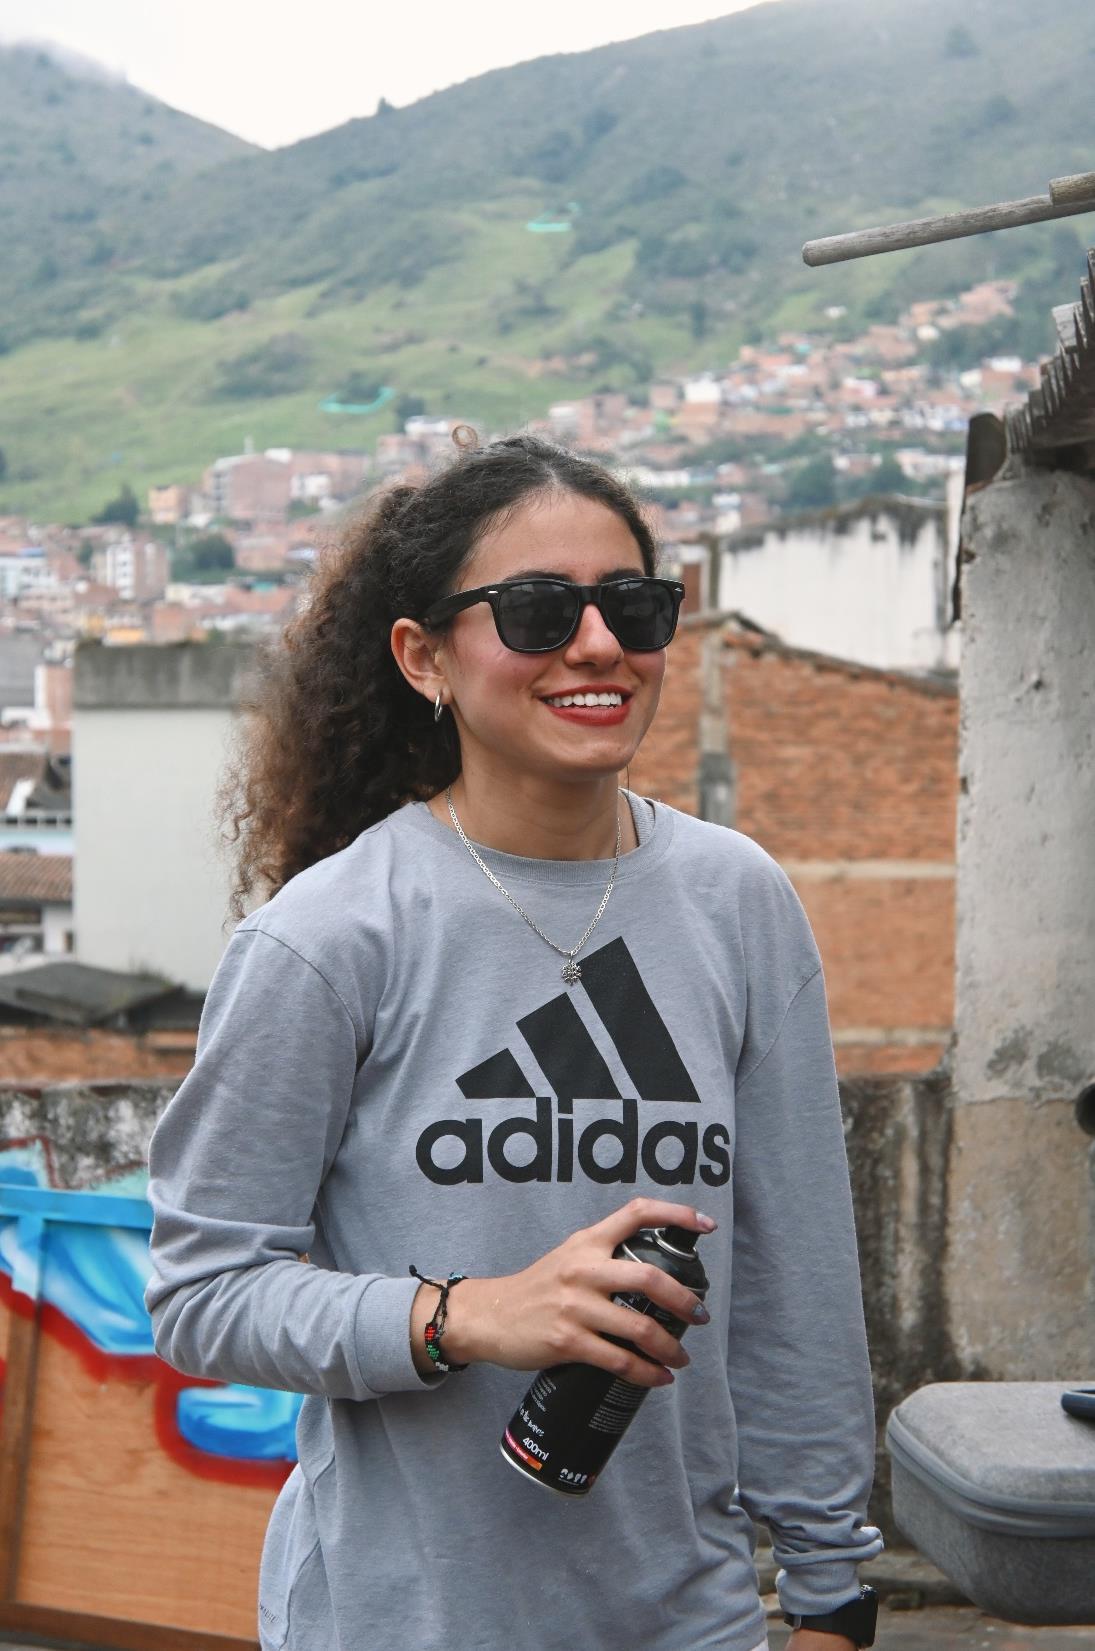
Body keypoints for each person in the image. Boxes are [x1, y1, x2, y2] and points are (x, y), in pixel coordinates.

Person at [144, 432, 884, 1651]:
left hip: (687, 1617)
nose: (596, 645)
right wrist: (465, 1315)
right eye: (538, 611)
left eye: (632, 607)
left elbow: (795, 1285)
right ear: (423, 656)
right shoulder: (330, 936)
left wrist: (830, 1597)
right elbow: (203, 1293)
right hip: (400, 1621)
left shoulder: (738, 902)